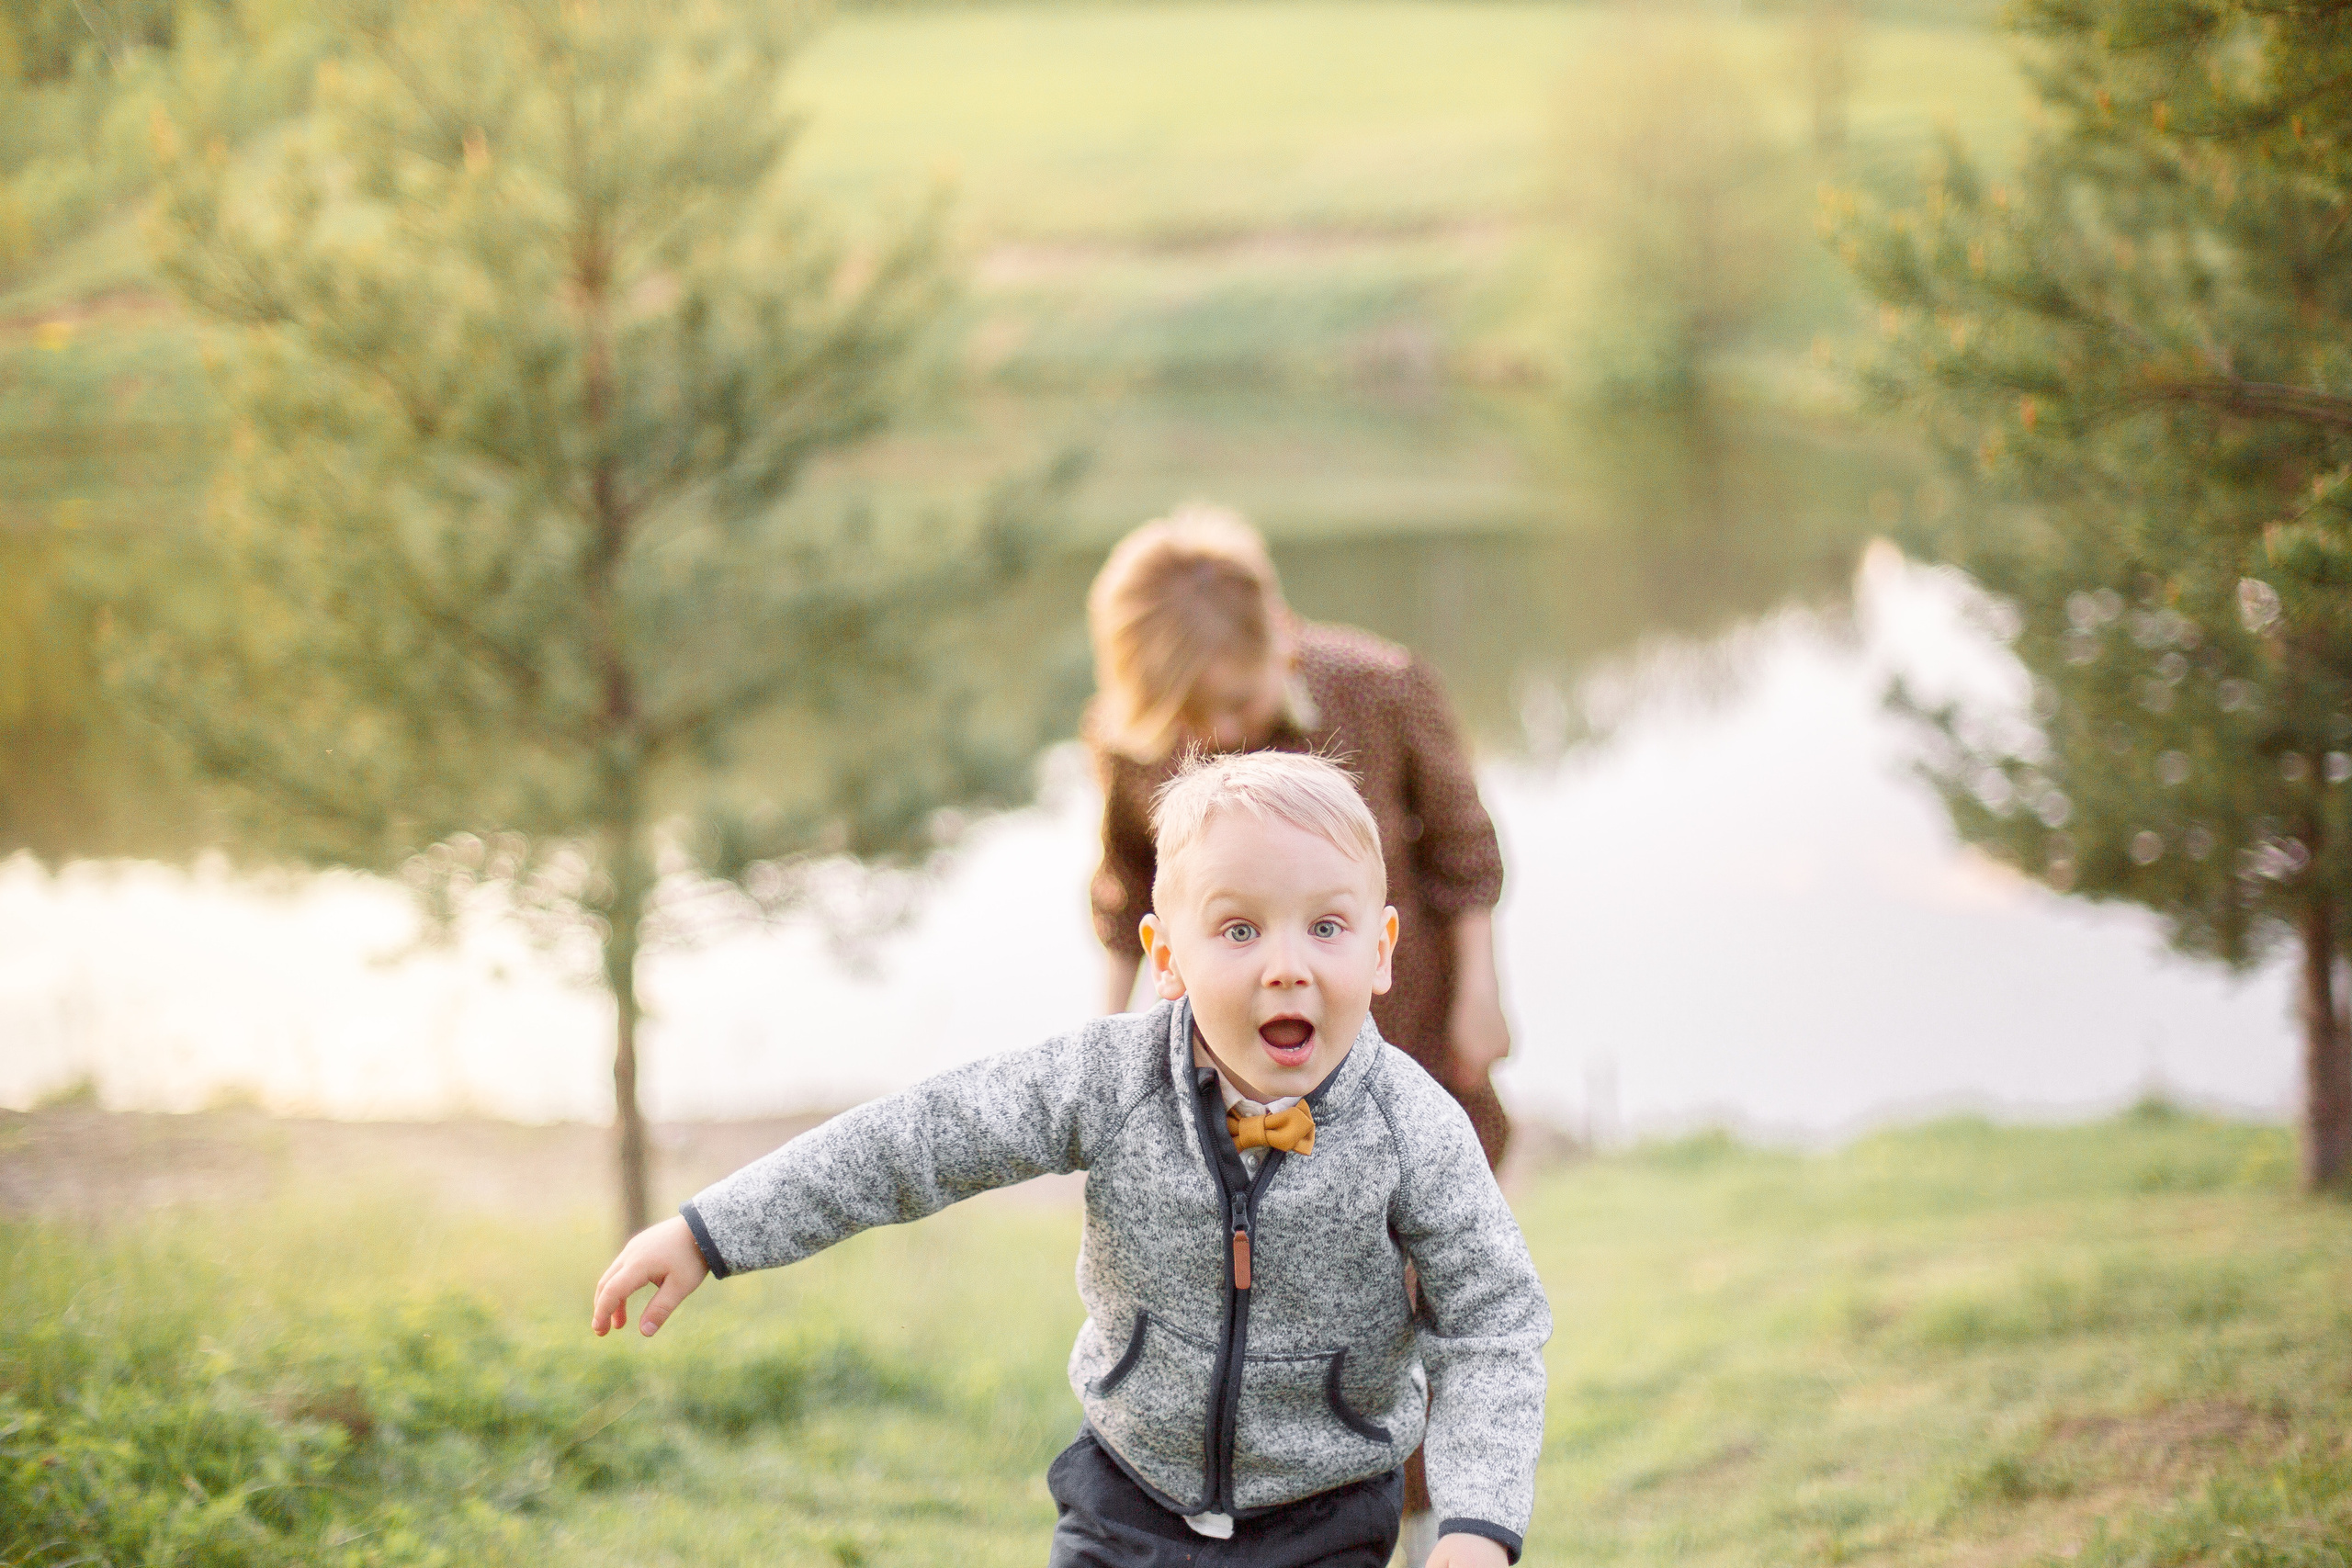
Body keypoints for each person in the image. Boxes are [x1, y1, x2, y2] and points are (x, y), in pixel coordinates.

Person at [593, 751, 1551, 1568]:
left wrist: (1475, 1525)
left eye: (1326, 927)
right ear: (1165, 957)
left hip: (1327, 1513)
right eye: (1239, 929)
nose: (1287, 965)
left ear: (1382, 952)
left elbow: (1490, 1322)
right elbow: (918, 1139)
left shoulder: (1412, 1127)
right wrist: (711, 1231)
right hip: (1126, 1497)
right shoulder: (1105, 1081)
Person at [1084, 508, 1514, 1174]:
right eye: (1192, 714)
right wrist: (1107, 1050)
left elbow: (1464, 853)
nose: (1220, 733)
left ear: (1280, 637)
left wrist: (1480, 996)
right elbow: (1127, 887)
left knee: (1429, 1239)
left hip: (1400, 1030)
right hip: (1232, 1060)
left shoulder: (1383, 687)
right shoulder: (1134, 740)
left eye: (1236, 701)